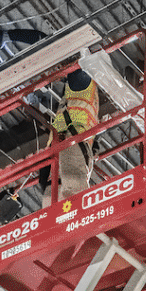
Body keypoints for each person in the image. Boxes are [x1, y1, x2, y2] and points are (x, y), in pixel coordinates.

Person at [51, 69, 100, 203]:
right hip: (79, 95)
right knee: (77, 63)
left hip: (75, 104)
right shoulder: (72, 154)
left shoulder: (85, 154)